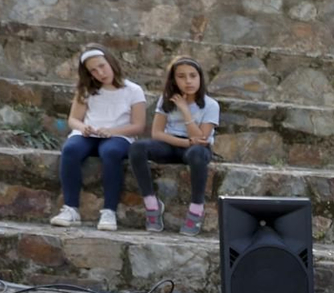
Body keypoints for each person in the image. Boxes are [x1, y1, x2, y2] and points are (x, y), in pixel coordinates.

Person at [51, 48, 146, 230]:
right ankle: (71, 208)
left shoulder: (133, 90)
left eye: (102, 66)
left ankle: (109, 211)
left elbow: (138, 126)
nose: (100, 73)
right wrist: (82, 127)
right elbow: (73, 119)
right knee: (70, 149)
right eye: (93, 70)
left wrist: (113, 131)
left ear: (111, 63)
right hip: (89, 135)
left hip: (118, 136)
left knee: (110, 152)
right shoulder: (87, 90)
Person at [129, 57, 219, 235]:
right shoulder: (166, 101)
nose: (188, 81)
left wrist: (185, 111)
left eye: (193, 76)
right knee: (137, 148)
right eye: (182, 76)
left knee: (197, 154)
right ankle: (152, 204)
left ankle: (196, 208)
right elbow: (157, 133)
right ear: (174, 80)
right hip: (171, 144)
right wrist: (185, 142)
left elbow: (200, 138)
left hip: (197, 148)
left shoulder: (211, 105)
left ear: (200, 78)